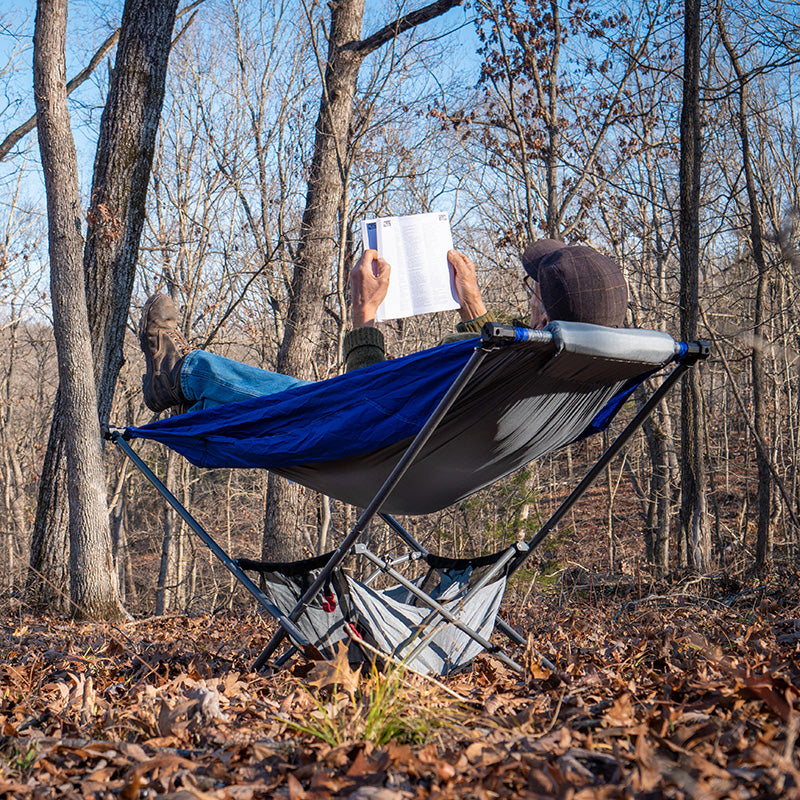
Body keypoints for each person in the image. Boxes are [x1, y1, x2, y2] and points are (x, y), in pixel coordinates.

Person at [139, 240, 628, 414]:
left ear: (542, 316)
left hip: (378, 449)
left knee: (298, 402)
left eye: (532, 291)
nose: (527, 298)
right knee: (291, 397)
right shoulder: (582, 376)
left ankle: (182, 374)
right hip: (442, 469)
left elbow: (368, 399)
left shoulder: (502, 363)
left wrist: (364, 314)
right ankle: (190, 400)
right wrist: (473, 307)